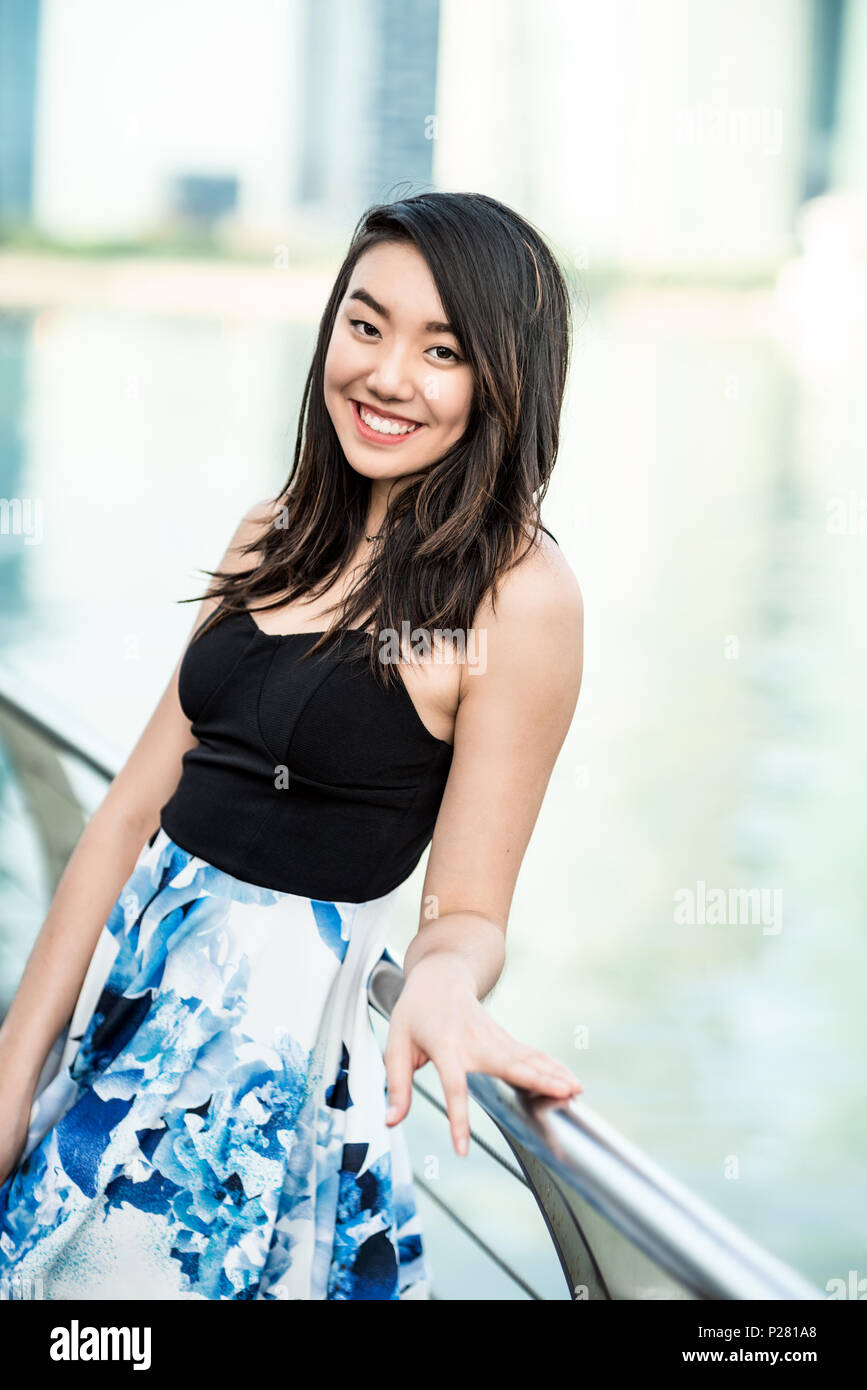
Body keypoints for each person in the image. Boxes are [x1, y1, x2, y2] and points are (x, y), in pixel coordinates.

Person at [0, 191, 584, 1301]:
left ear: (506, 378)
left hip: (250, 1086)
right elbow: (130, 812)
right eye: (365, 326)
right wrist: (13, 1071)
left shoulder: (520, 596)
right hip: (119, 1029)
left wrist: (447, 982)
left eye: (443, 349)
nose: (387, 373)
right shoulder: (274, 530)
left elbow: (465, 907)